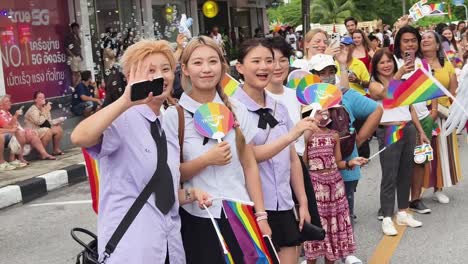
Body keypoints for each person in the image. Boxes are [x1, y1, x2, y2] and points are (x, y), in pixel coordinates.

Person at [71, 39, 212, 263]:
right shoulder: (122, 121)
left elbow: (161, 194)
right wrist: (125, 101)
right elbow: (79, 137)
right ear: (131, 77)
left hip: (169, 247)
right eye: (150, 70)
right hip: (131, 250)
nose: (160, 76)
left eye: (165, 69)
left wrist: (192, 195)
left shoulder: (167, 125)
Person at [164, 36, 271, 263]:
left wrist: (260, 215)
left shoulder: (236, 109)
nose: (206, 69)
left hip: (240, 212)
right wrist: (206, 160)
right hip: (198, 218)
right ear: (185, 69)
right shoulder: (175, 117)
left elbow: (249, 164)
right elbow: (170, 175)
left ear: (223, 66)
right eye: (198, 63)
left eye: (213, 62)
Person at [233, 38, 313, 263]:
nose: (264, 67)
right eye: (256, 61)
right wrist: (291, 135)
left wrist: (302, 203)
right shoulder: (232, 109)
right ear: (240, 67)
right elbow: (248, 157)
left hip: (284, 204)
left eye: (269, 60)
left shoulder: (280, 108)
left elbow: (293, 160)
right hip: (253, 207)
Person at [306, 52, 382, 264]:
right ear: (312, 75)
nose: (327, 76)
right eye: (322, 73)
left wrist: (359, 141)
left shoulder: (345, 94)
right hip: (314, 175)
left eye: (331, 72)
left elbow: (376, 109)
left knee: (343, 213)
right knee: (314, 215)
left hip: (344, 169)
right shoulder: (302, 99)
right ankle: (313, 253)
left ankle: (344, 252)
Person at [264, 36, 322, 232]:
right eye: (271, 60)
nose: (278, 66)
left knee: (300, 227)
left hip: (297, 166)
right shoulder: (259, 98)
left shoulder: (297, 96)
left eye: (283, 60)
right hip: (270, 170)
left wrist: (312, 123)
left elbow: (302, 140)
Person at [302, 106, 368, 264]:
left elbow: (338, 162)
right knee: (317, 224)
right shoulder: (306, 136)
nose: (323, 115)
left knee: (333, 228)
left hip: (335, 185)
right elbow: (303, 164)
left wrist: (351, 162)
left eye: (326, 112)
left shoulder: (334, 135)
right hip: (315, 185)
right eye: (319, 112)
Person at [369, 48, 423, 236]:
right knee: (389, 176)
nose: (386, 65)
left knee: (405, 173)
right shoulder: (374, 84)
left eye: (389, 61)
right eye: (381, 62)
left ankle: (402, 212)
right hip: (389, 130)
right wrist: (398, 74)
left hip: (407, 128)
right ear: (375, 66)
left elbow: (411, 108)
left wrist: (420, 131)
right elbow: (385, 95)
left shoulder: (403, 82)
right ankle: (386, 217)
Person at [421, 31, 461, 204]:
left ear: (438, 45)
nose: (425, 39)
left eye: (430, 37)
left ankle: (439, 187)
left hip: (443, 114)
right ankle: (417, 189)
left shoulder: (447, 65)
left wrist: (449, 112)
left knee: (442, 152)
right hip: (421, 114)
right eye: (423, 37)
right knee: (420, 151)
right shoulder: (417, 64)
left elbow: (453, 92)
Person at [0, 95, 56, 162]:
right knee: (21, 133)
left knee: (31, 134)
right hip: (8, 134)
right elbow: (8, 127)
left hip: (15, 132)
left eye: (9, 101)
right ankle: (19, 158)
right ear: (1, 105)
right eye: (7, 101)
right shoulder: (1, 114)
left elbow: (17, 126)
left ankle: (44, 153)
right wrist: (16, 116)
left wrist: (25, 130)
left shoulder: (8, 113)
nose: (10, 103)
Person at [24, 91, 65, 155]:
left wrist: (57, 121)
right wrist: (46, 111)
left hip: (42, 128)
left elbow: (48, 121)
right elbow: (38, 122)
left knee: (58, 129)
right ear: (35, 100)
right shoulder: (33, 110)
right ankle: (42, 153)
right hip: (33, 131)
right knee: (47, 131)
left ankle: (56, 150)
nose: (42, 99)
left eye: (43, 97)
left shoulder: (44, 108)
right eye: (40, 97)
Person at [65, 23, 82, 87]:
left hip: (78, 56)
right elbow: (66, 47)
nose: (77, 30)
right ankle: (75, 86)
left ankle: (78, 86)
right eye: (75, 28)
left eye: (77, 28)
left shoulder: (77, 37)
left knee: (79, 72)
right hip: (73, 57)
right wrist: (72, 55)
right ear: (72, 29)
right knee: (75, 73)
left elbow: (79, 47)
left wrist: (80, 55)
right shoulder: (69, 37)